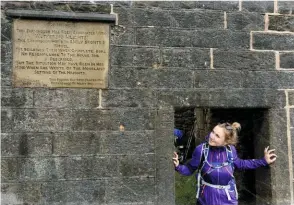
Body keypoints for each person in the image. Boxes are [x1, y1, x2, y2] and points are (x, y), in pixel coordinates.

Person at [173, 122, 277, 205]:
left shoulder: (230, 151)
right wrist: (178, 166)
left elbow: (240, 164)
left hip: (227, 198)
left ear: (226, 142)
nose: (212, 136)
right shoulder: (201, 150)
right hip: (206, 198)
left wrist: (263, 161)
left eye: (217, 136)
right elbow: (190, 169)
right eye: (213, 132)